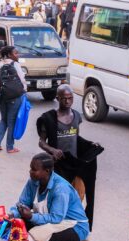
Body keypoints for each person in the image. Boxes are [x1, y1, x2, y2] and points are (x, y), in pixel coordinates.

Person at [11, 152, 89, 241]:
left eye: (34, 169)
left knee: (42, 235)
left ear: (46, 171)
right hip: (51, 221)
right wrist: (13, 214)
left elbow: (56, 218)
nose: (30, 172)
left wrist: (31, 216)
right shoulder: (33, 182)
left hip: (74, 226)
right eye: (30, 168)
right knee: (16, 225)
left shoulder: (60, 188)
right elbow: (23, 202)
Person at [37, 84, 102, 230]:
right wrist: (52, 150)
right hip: (58, 166)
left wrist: (90, 144)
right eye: (64, 98)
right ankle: (55, 223)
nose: (67, 101)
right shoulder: (49, 119)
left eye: (70, 98)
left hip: (74, 164)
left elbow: (75, 137)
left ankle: (74, 226)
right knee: (59, 198)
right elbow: (41, 142)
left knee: (77, 198)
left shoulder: (76, 117)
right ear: (57, 98)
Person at [0, 46, 26, 153]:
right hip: (14, 97)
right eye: (16, 53)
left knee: (4, 119)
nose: (18, 55)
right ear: (10, 55)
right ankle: (10, 147)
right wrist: (24, 92)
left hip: (1, 96)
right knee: (11, 121)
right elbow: (22, 80)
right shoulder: (15, 65)